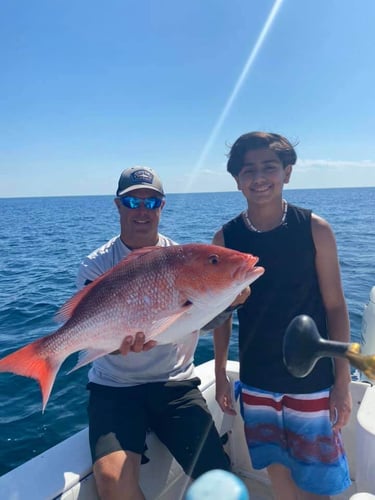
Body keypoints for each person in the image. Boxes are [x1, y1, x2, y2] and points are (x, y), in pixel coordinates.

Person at [77, 166, 233, 500]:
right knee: (111, 482)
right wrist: (117, 346)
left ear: (162, 207)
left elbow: (200, 321)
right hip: (114, 387)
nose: (142, 211)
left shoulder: (185, 258)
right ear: (118, 206)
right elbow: (91, 331)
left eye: (152, 202)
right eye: (133, 202)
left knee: (221, 482)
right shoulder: (96, 264)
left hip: (174, 383)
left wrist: (229, 303)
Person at [212, 132, 352, 499]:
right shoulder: (224, 241)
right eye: (248, 170)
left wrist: (341, 382)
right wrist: (220, 375)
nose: (259, 177)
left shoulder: (315, 229)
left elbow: (336, 307)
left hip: (312, 381)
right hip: (257, 379)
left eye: (269, 167)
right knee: (276, 468)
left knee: (318, 481)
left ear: (287, 173)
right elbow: (221, 316)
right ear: (237, 180)